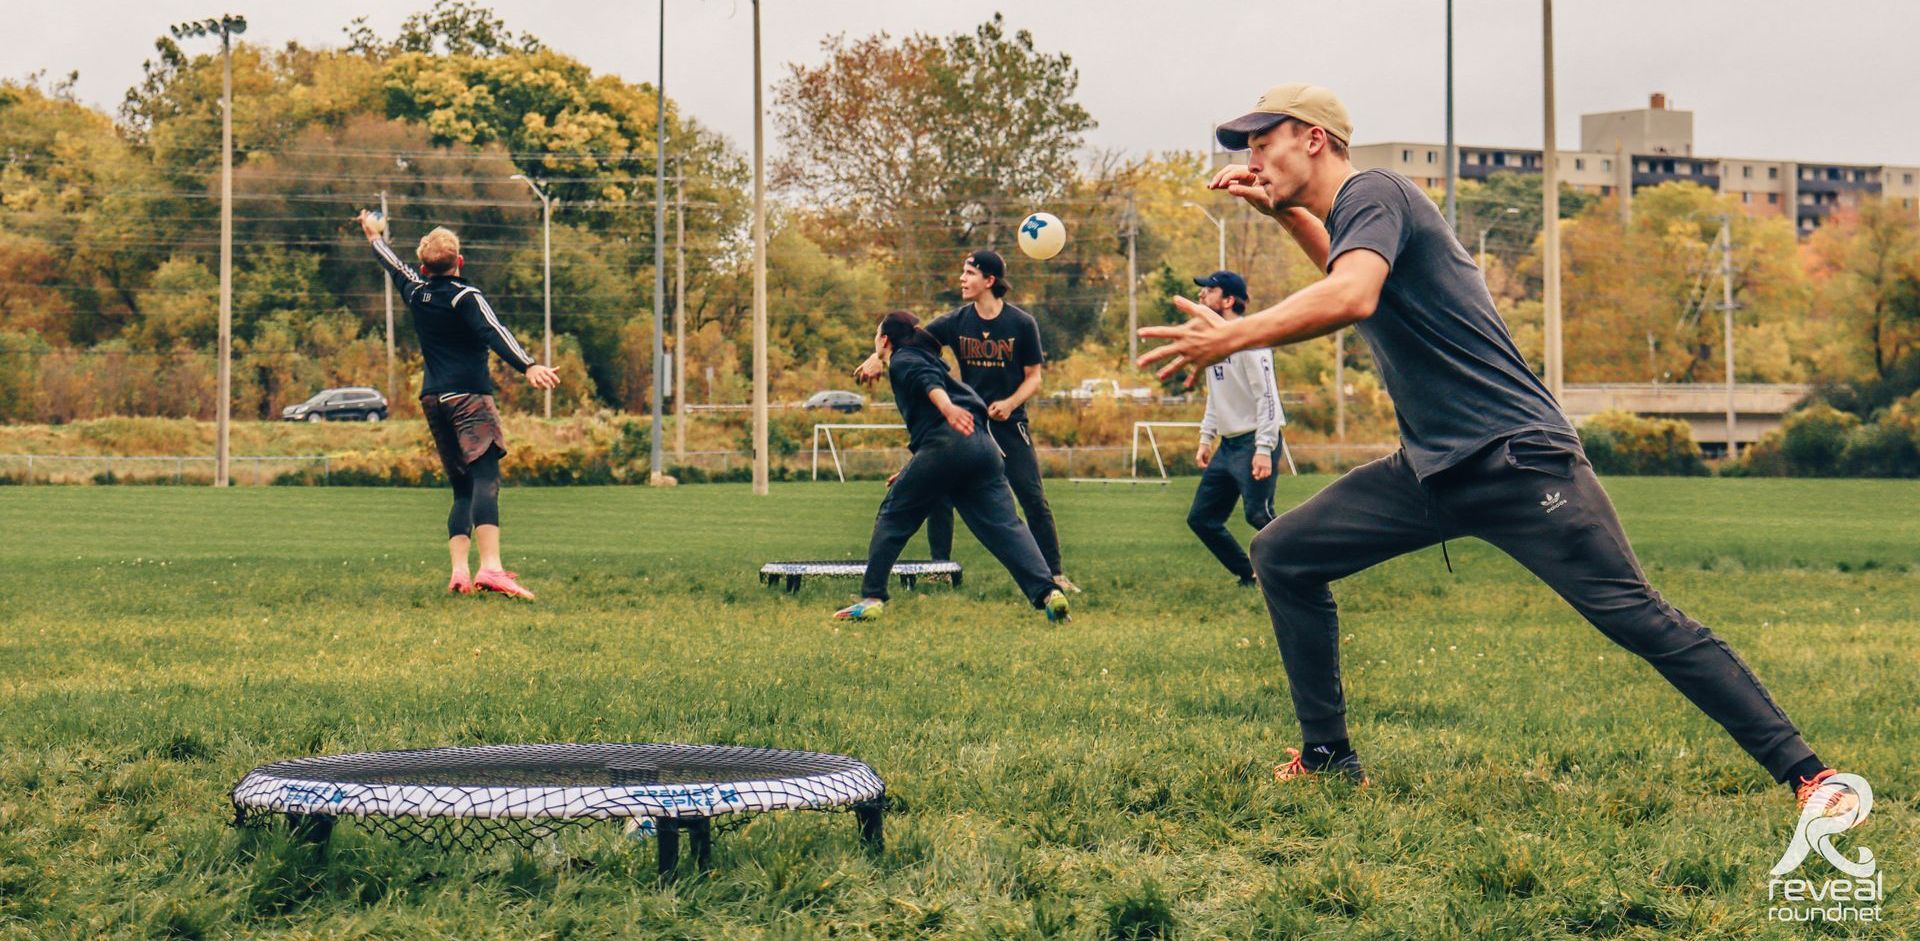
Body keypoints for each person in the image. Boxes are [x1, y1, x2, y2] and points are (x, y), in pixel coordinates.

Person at [1136, 83, 1856, 820]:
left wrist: (1233, 333)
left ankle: (1811, 774)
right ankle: (1328, 755)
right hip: (1434, 470)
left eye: (1264, 140)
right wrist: (1285, 210)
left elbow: (1351, 295)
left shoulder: (1374, 189)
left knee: (1636, 616)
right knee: (1283, 553)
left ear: (1314, 139)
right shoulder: (1359, 216)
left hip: (1517, 460)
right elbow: (1357, 283)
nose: (1252, 157)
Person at [359, 211, 560, 600]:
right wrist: (528, 365)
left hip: (433, 399)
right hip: (469, 397)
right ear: (460, 262)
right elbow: (493, 330)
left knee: (461, 488)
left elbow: (392, 265)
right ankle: (491, 568)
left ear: (424, 266)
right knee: (486, 477)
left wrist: (373, 237)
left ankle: (458, 574)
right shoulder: (467, 296)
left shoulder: (416, 290)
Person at [855, 251, 1080, 594]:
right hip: (965, 424)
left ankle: (1054, 574)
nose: (962, 279)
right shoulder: (955, 321)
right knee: (938, 494)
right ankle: (940, 567)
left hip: (1006, 423)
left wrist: (1010, 403)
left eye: (970, 273)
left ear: (990, 281)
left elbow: (1034, 378)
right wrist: (875, 357)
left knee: (1032, 497)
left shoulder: (1021, 324)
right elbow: (906, 340)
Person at [836, 311, 1070, 624]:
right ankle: (1048, 592)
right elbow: (942, 411)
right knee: (1005, 527)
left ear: (885, 340)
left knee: (893, 518)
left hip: (948, 443)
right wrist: (918, 464)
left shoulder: (904, 359)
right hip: (981, 449)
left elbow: (927, 384)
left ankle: (872, 597)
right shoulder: (932, 361)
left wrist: (947, 409)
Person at [1185, 270, 1283, 586]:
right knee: (1201, 519)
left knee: (1258, 515)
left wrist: (1264, 448)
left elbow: (1267, 396)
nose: (1201, 295)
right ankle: (1249, 572)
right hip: (1227, 447)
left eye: (1209, 291)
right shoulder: (1216, 343)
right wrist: (1206, 438)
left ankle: (1306, 567)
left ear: (1228, 300)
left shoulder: (1251, 340)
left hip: (1255, 441)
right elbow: (1217, 395)